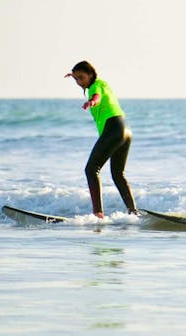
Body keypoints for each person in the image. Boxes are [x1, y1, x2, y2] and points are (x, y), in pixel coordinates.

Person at [64, 61, 137, 218]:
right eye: (76, 79)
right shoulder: (103, 83)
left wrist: (92, 101)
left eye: (81, 78)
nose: (79, 82)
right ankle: (133, 212)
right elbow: (93, 87)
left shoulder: (95, 86)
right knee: (118, 174)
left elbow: (97, 96)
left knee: (91, 169)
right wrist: (74, 76)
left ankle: (98, 214)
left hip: (113, 129)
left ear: (91, 74)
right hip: (125, 130)